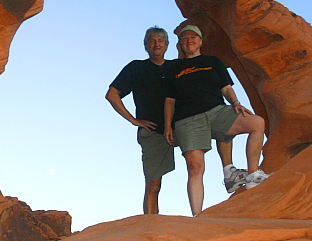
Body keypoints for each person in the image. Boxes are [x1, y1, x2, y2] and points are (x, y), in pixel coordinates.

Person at [105, 26, 245, 215]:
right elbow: (112, 94)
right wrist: (134, 120)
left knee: (220, 122)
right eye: (152, 41)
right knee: (153, 184)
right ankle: (150, 227)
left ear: (168, 45)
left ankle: (228, 171)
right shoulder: (136, 67)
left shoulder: (175, 67)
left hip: (183, 125)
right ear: (146, 45)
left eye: (161, 41)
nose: (157, 44)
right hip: (154, 131)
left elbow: (203, 73)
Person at [164, 25, 269, 216]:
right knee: (195, 168)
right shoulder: (173, 68)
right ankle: (197, 216)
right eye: (185, 38)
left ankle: (253, 174)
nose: (189, 40)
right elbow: (169, 100)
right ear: (180, 44)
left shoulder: (213, 61)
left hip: (217, 112)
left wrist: (236, 102)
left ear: (201, 41)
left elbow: (226, 87)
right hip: (188, 120)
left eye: (193, 37)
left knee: (257, 123)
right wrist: (167, 125)